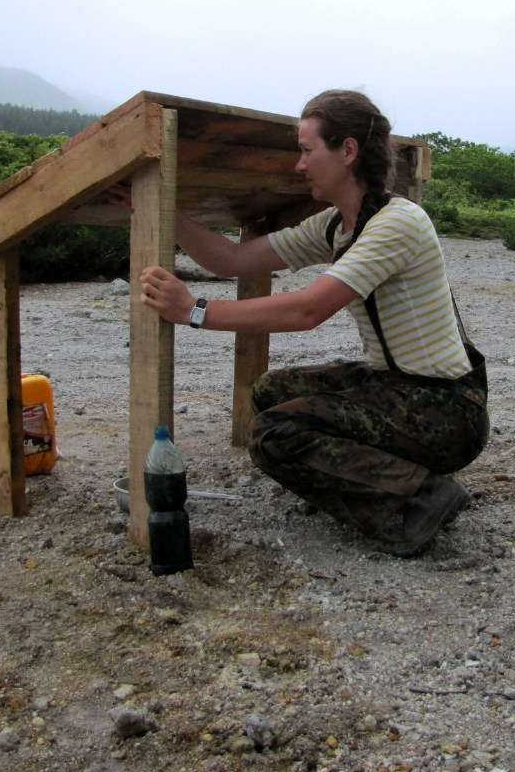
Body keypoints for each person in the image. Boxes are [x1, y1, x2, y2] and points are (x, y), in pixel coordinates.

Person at [133, 89, 489, 556]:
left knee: (276, 434)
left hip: (445, 409)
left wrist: (195, 311)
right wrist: (158, 203)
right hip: (400, 387)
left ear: (347, 151)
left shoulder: (399, 223)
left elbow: (308, 311)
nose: (298, 165)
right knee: (269, 395)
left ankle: (421, 497)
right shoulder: (335, 225)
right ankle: (397, 477)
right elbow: (233, 258)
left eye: (306, 150)